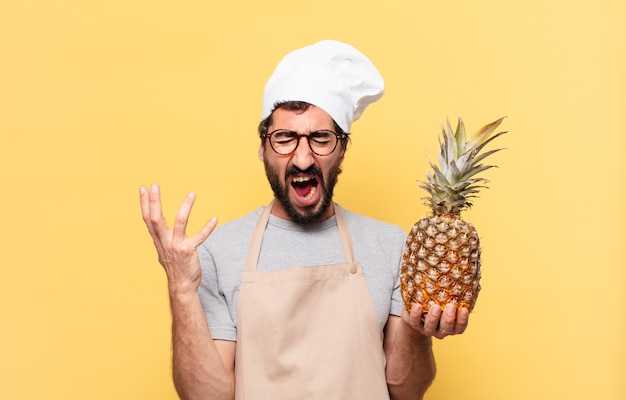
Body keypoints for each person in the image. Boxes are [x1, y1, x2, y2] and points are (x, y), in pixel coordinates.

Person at [140, 40, 469, 400]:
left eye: (320, 138)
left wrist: (417, 328)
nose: (301, 159)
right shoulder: (218, 253)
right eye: (284, 138)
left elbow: (406, 390)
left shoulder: (392, 246)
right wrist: (182, 291)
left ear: (342, 149)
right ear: (263, 149)